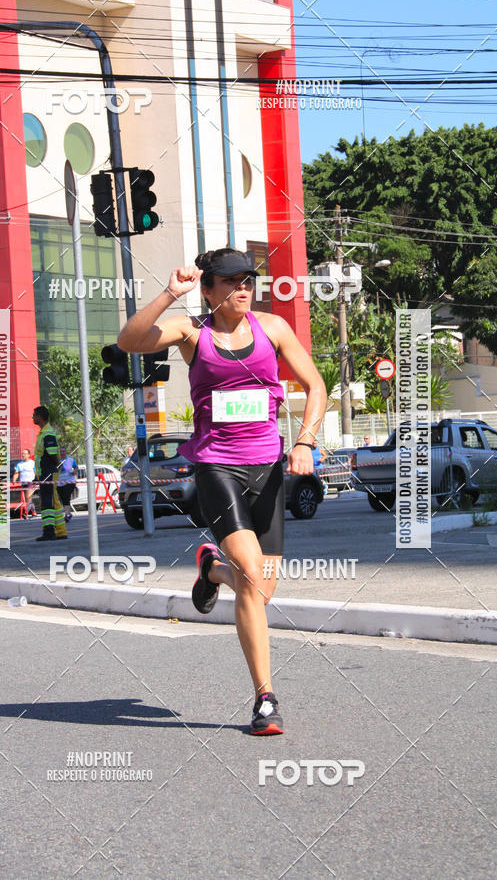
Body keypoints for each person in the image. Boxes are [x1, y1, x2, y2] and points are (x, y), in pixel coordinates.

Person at [118, 247, 327, 735]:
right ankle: (265, 699)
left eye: (248, 280)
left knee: (262, 589)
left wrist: (306, 442)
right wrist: (172, 292)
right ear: (208, 289)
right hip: (217, 468)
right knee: (253, 581)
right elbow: (130, 341)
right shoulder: (193, 330)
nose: (242, 289)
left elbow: (315, 385)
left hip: (268, 469)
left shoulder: (273, 329)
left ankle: (211, 568)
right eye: (231, 282)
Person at [32, 406, 67, 542]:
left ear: (40, 417)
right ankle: (59, 531)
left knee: (48, 502)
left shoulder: (47, 433)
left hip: (48, 472)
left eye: (34, 415)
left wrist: (48, 468)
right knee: (53, 501)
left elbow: (52, 453)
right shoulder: (44, 432)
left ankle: (49, 531)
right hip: (46, 472)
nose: (32, 417)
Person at [13, 448, 37, 518]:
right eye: (22, 454)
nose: (23, 455)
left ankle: (25, 513)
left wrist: (36, 480)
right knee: (28, 499)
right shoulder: (19, 464)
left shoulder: (32, 463)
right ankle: (34, 512)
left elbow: (36, 472)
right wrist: (14, 479)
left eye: (25, 454)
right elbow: (16, 473)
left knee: (28, 497)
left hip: (31, 482)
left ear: (29, 455)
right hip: (23, 483)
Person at [57, 446, 78, 522]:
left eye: (63, 451)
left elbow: (76, 467)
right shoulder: (57, 461)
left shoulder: (70, 460)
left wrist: (74, 472)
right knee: (62, 498)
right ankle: (68, 513)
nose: (62, 453)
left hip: (70, 482)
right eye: (60, 452)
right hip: (60, 482)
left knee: (66, 496)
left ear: (65, 452)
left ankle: (67, 514)